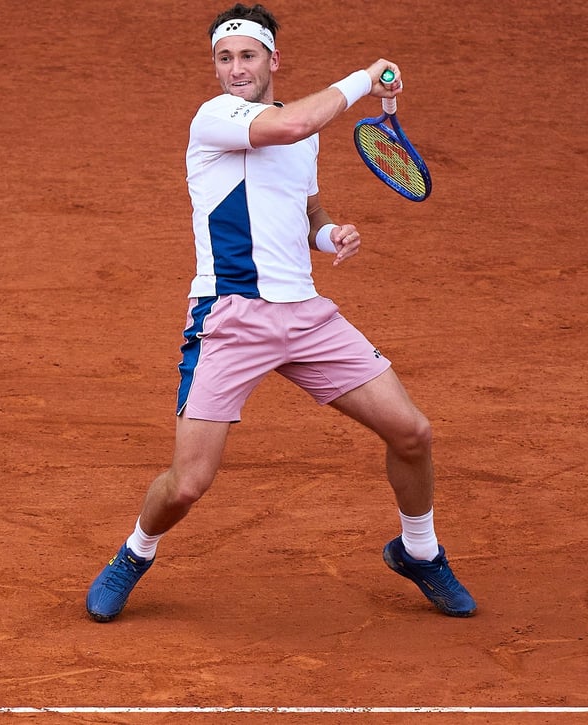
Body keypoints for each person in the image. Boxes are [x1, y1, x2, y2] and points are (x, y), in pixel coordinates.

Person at [85, 3, 476, 622]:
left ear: (272, 60)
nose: (236, 69)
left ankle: (419, 550)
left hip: (307, 317)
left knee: (412, 432)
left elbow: (306, 205)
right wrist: (362, 78)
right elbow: (290, 126)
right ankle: (136, 552)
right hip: (231, 319)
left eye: (247, 55)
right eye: (225, 58)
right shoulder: (216, 116)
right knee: (188, 484)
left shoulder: (304, 130)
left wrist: (328, 236)